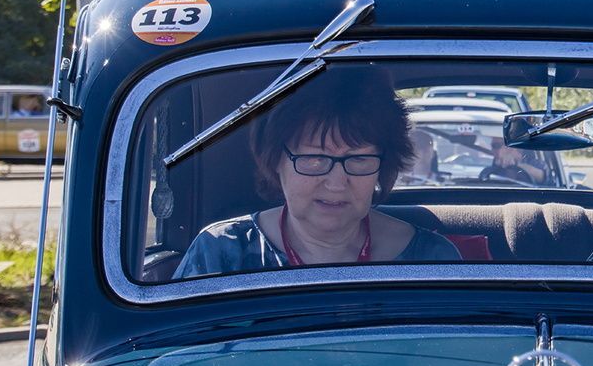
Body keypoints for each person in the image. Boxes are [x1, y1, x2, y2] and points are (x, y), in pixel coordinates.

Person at [174, 69, 460, 279]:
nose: (336, 183)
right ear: (275, 160)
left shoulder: (431, 260)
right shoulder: (220, 254)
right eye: (314, 159)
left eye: (358, 159)